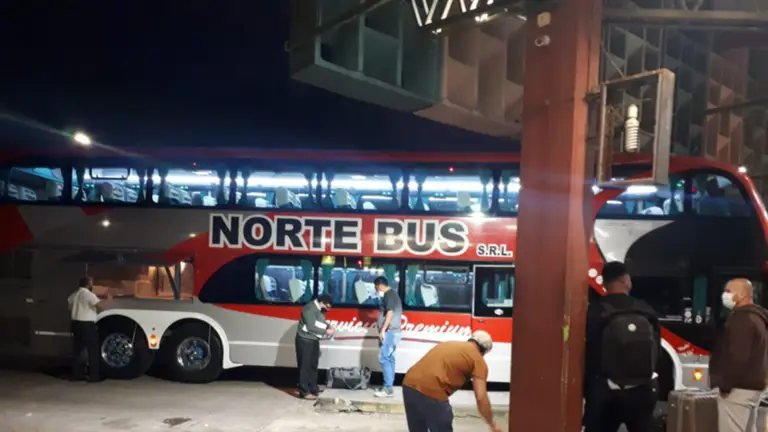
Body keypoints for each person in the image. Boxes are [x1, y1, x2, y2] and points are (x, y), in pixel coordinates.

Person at [582, 261, 660, 432]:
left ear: (604, 284)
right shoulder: (645, 309)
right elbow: (657, 351)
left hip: (604, 392)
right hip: (641, 391)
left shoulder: (594, 311)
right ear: (626, 281)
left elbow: (588, 354)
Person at [401, 330, 502, 432]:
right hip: (432, 389)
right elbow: (481, 397)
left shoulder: (448, 344)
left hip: (408, 383)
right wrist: (492, 424)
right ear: (484, 351)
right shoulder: (478, 360)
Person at [709, 278, 768, 432]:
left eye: (728, 291)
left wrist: (725, 386)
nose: (724, 295)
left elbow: (737, 357)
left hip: (738, 389)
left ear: (742, 295)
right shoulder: (757, 318)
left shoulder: (742, 320)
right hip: (753, 387)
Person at [67, 276, 110, 382]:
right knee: (92, 350)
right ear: (89, 284)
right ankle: (94, 376)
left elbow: (70, 308)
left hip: (75, 324)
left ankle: (77, 375)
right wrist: (108, 299)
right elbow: (100, 306)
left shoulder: (73, 295)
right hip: (87, 325)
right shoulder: (89, 295)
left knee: (78, 351)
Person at [295, 293, 335, 400]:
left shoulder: (319, 309)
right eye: (328, 306)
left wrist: (328, 326)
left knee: (313, 365)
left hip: (313, 340)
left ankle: (312, 388)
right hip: (305, 340)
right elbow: (311, 327)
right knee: (305, 366)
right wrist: (326, 331)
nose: (328, 309)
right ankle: (304, 391)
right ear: (322, 302)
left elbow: (319, 322)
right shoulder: (309, 309)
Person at [373, 276, 402, 398]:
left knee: (384, 358)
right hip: (392, 332)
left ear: (380, 285)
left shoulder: (389, 295)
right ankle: (388, 387)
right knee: (390, 359)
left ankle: (387, 388)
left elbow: (389, 313)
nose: (376, 290)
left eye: (376, 287)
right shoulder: (392, 294)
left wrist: (383, 330)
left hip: (389, 332)